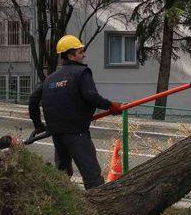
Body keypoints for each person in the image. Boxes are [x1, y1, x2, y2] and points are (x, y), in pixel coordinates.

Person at [29, 35, 122, 189]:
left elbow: (33, 100)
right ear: (71, 55)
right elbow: (91, 96)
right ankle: (99, 208)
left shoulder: (50, 78)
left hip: (57, 133)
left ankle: (59, 205)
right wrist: (111, 106)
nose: (84, 55)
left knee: (62, 174)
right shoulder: (82, 73)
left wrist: (38, 125)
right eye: (80, 52)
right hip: (77, 133)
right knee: (92, 176)